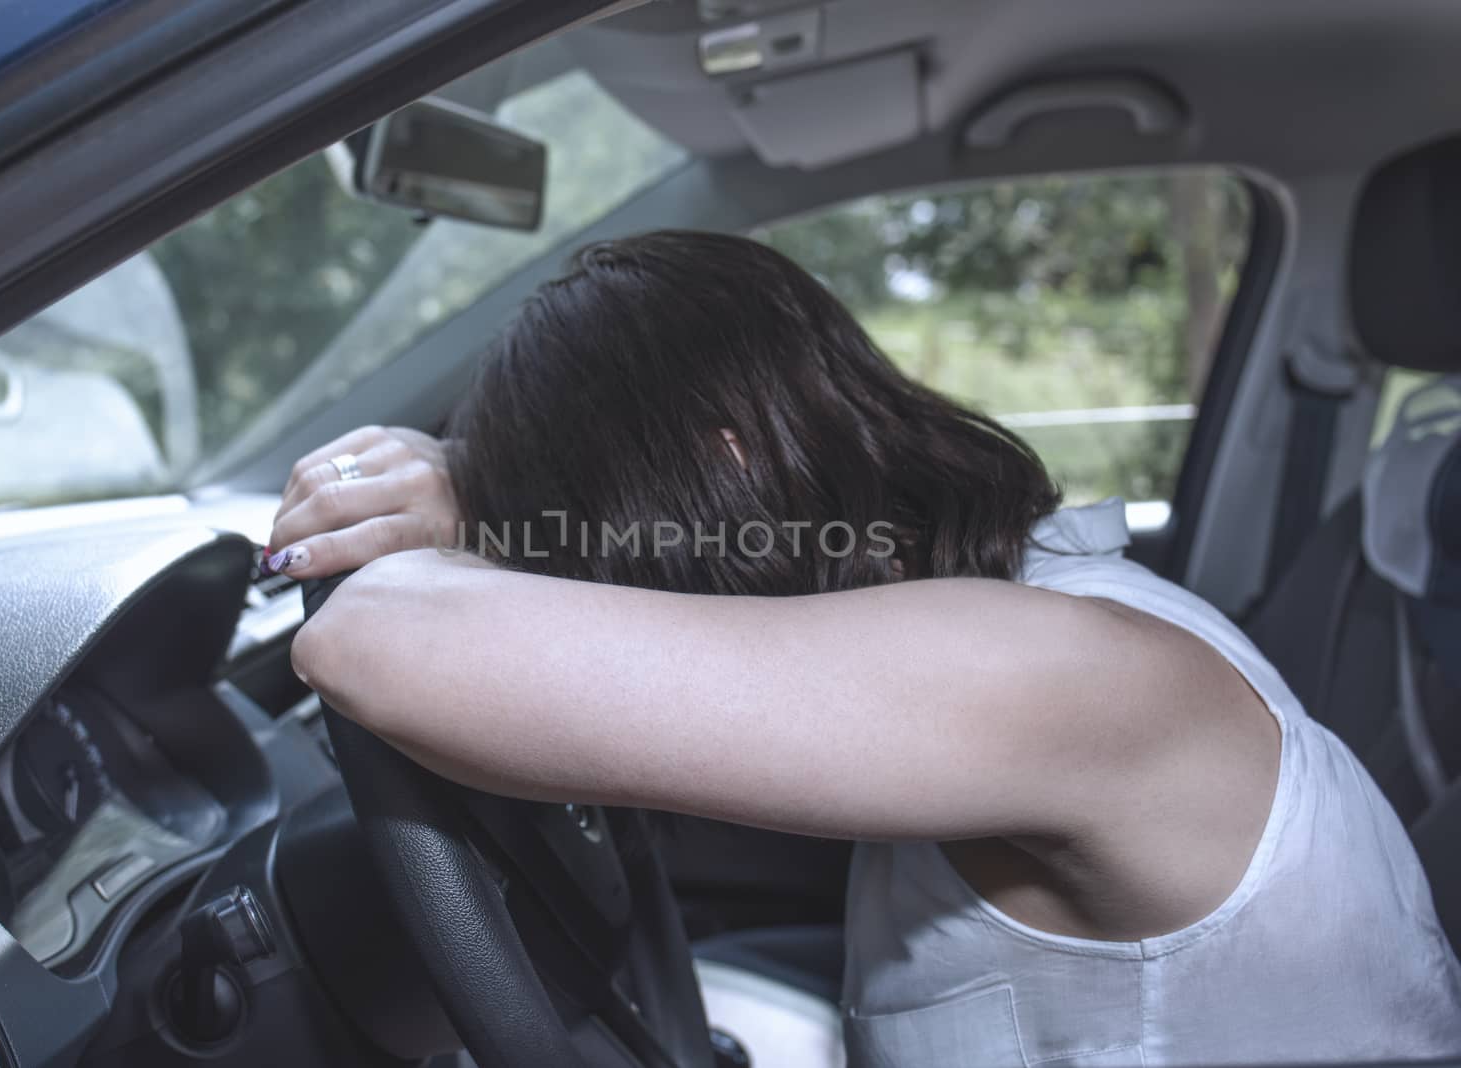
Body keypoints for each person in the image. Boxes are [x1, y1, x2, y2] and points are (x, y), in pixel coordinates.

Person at [268, 231, 1461, 1064]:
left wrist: (473, 504)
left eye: (584, 555)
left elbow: (376, 639)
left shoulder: (1048, 674)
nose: (590, 595)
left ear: (725, 463)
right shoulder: (1015, 609)